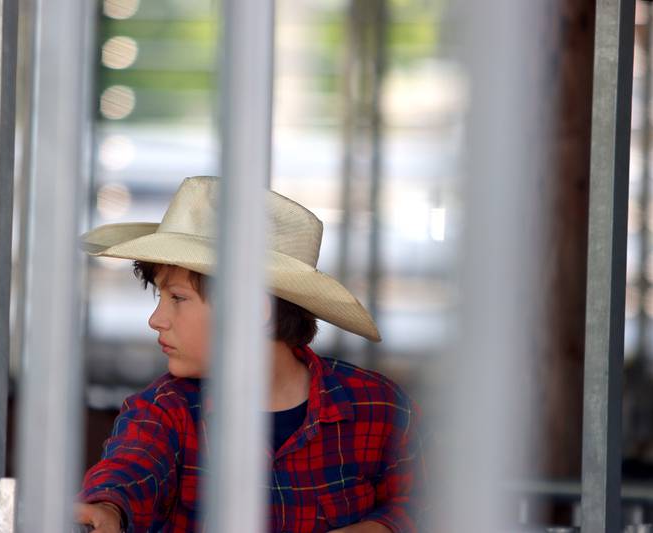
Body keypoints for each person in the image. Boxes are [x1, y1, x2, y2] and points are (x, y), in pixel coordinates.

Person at [75, 176, 424, 532]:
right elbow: (130, 470)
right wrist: (109, 507)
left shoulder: (380, 408)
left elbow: (428, 505)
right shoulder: (164, 411)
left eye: (177, 298)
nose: (155, 320)